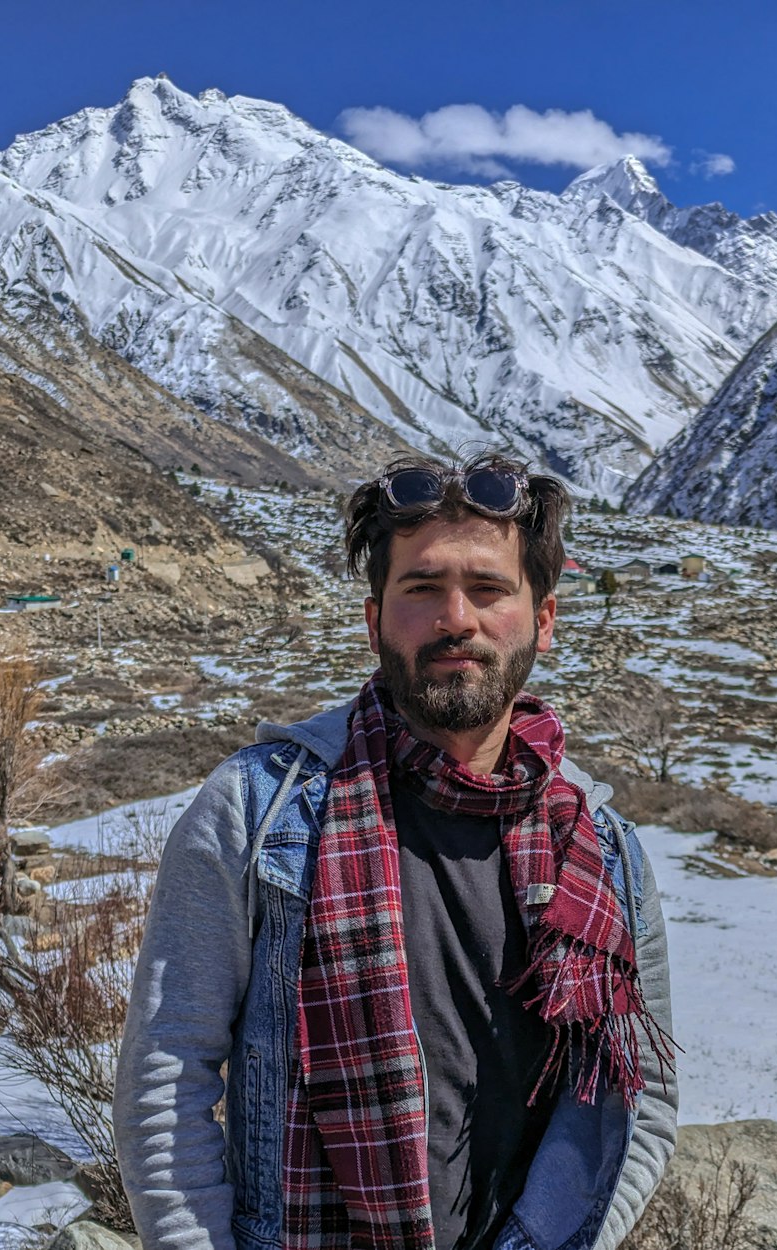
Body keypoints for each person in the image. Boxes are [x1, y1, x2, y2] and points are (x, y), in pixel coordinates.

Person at [113, 451, 677, 1250]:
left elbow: (639, 1096)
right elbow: (164, 1080)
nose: (457, 618)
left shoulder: (599, 850)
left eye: (489, 589)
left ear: (542, 621)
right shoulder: (258, 812)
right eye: (422, 589)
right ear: (375, 618)